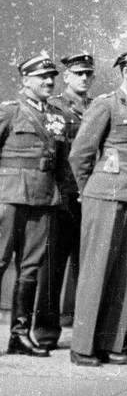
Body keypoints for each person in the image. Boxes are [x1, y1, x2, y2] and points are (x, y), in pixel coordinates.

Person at [69, 47, 127, 368]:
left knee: (125, 273)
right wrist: (87, 190)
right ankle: (82, 345)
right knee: (96, 269)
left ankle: (110, 340)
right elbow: (80, 153)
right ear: (125, 70)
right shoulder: (106, 104)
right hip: (106, 194)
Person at [0, 53, 71, 356]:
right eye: (41, 77)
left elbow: (63, 162)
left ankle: (19, 334)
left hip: (43, 198)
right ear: (25, 81)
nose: (48, 81)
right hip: (9, 196)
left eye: (52, 76)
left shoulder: (57, 116)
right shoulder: (10, 112)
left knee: (30, 268)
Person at [32, 51, 94, 350]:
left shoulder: (98, 108)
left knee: (88, 266)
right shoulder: (54, 108)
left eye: (88, 73)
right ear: (66, 76)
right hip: (61, 197)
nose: (84, 78)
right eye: (78, 73)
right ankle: (45, 332)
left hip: (91, 197)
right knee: (52, 267)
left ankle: (85, 334)